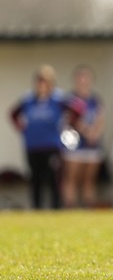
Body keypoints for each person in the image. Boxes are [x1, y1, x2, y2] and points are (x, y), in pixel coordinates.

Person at [10, 64, 83, 209]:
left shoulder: (58, 99)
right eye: (39, 81)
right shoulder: (28, 99)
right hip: (32, 145)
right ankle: (37, 208)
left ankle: (56, 208)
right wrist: (22, 129)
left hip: (52, 145)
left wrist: (70, 124)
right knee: (35, 178)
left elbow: (79, 108)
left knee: (54, 179)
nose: (41, 85)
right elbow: (13, 114)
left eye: (45, 81)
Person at [62, 64, 105, 208]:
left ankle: (88, 209)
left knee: (89, 180)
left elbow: (101, 119)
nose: (83, 80)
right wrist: (87, 132)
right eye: (79, 77)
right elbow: (72, 120)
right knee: (72, 178)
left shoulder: (95, 100)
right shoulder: (70, 100)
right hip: (74, 144)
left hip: (93, 145)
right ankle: (70, 208)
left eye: (86, 77)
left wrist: (95, 133)